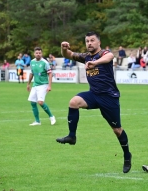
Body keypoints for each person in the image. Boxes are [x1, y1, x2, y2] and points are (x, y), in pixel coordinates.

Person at [56, 31, 132, 173]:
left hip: (109, 98)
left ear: (98, 42)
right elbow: (69, 55)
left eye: (92, 40)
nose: (89, 43)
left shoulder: (104, 54)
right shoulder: (85, 57)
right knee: (73, 102)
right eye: (87, 41)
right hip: (94, 95)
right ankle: (72, 136)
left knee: (117, 130)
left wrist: (94, 63)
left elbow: (110, 57)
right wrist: (64, 48)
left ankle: (127, 156)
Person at [27, 47, 56, 126]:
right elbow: (31, 73)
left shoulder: (44, 62)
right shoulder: (32, 62)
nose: (38, 54)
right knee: (33, 102)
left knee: (40, 102)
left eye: (40, 53)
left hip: (43, 84)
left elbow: (50, 74)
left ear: (41, 54)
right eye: (37, 53)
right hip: (35, 85)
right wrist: (28, 84)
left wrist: (49, 86)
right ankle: (37, 121)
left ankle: (51, 116)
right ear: (34, 54)